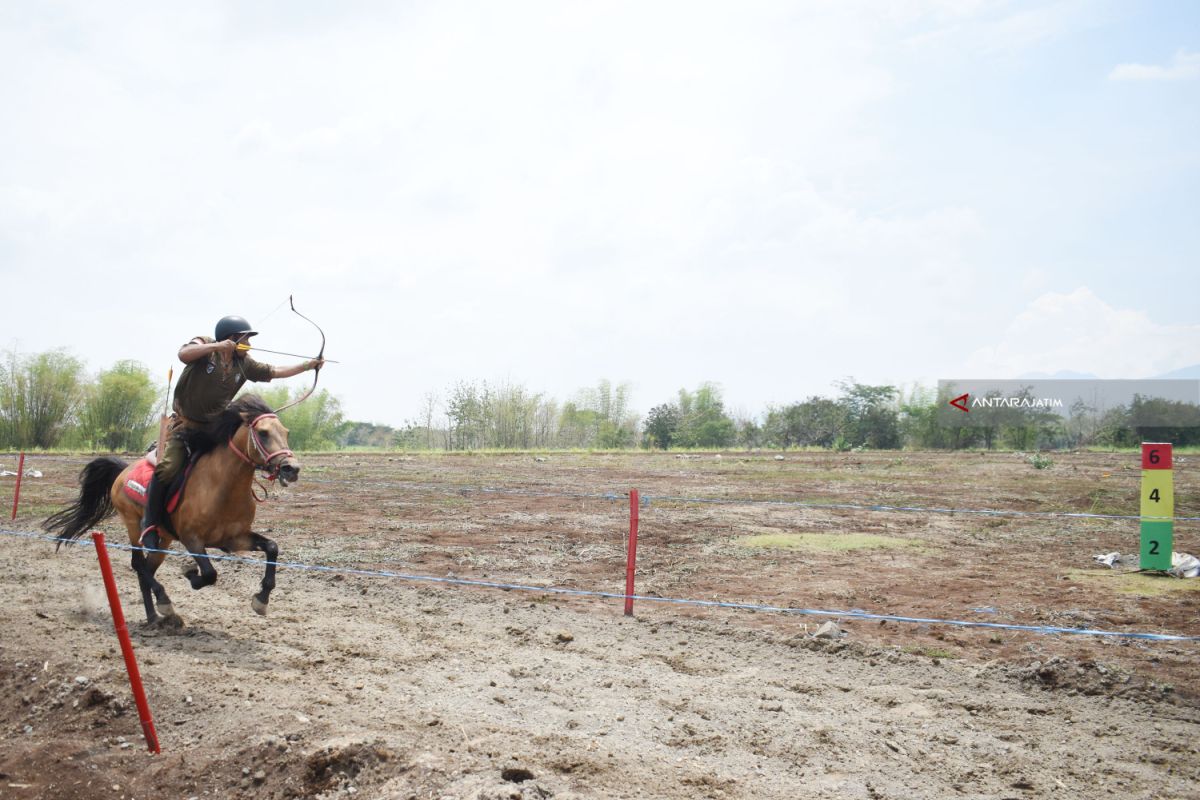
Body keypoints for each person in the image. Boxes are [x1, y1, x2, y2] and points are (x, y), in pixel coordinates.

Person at [140, 315, 323, 545]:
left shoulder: (244, 364)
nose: (249, 345)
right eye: (245, 339)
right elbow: (183, 354)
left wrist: (308, 366)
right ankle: (149, 524)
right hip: (185, 427)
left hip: (215, 429)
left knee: (239, 459)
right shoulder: (205, 345)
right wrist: (217, 346)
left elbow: (275, 371)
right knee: (168, 468)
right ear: (232, 339)